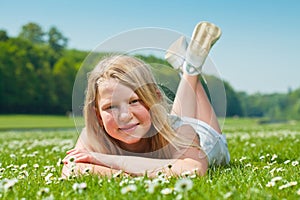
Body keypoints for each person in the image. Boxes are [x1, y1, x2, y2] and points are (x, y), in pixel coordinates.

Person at [62, 22, 230, 178]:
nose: (124, 116)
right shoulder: (92, 136)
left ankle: (191, 69)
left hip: (204, 138)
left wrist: (113, 162)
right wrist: (124, 176)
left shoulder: (183, 131)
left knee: (187, 126)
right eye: (110, 107)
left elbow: (193, 169)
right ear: (98, 115)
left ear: (155, 98)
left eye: (134, 101)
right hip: (167, 124)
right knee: (172, 121)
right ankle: (189, 67)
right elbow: (71, 168)